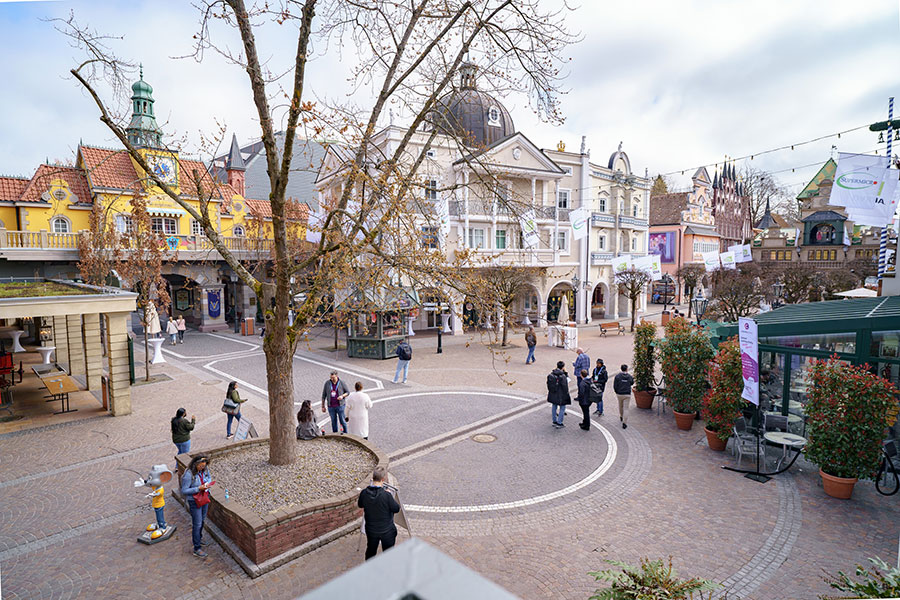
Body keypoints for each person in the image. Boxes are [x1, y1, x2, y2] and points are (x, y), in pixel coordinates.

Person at [357, 466, 400, 560]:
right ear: (383, 479)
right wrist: (389, 496)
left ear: (373, 478)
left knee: (371, 551)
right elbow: (396, 509)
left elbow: (360, 505)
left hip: (371, 530)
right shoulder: (386, 495)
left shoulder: (364, 493)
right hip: (387, 531)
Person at [180, 453, 214, 558]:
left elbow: (208, 477)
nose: (202, 468)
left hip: (204, 498)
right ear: (195, 464)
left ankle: (199, 538)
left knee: (202, 519)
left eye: (204, 466)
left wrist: (207, 484)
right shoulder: (188, 475)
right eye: (201, 466)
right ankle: (197, 548)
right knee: (197, 524)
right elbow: (184, 490)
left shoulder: (205, 469)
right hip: (195, 501)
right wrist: (198, 488)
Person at [546, 360, 571, 428]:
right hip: (561, 394)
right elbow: (565, 386)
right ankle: (559, 422)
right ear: (563, 367)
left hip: (553, 393)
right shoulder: (563, 376)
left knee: (554, 406)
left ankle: (554, 420)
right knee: (562, 408)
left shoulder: (551, 374)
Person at [613, 364, 634, 429]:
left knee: (620, 405)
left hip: (619, 394)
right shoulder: (629, 377)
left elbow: (615, 385)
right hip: (627, 394)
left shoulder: (617, 376)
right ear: (627, 369)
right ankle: (624, 422)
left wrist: (616, 391)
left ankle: (621, 416)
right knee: (626, 408)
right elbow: (632, 383)